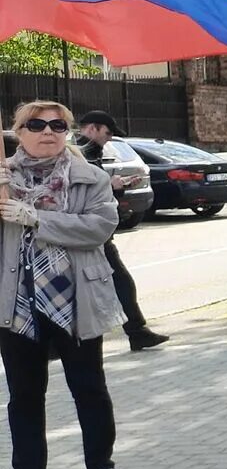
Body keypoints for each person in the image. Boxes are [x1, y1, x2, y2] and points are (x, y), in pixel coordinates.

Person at [0, 101, 129, 469]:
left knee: (89, 388)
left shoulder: (89, 178)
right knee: (23, 393)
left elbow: (98, 228)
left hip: (75, 299)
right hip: (17, 301)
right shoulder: (2, 180)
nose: (48, 131)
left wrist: (34, 217)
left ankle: (102, 468)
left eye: (58, 124)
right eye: (36, 124)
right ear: (19, 132)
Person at [73, 111, 168, 352]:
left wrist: (114, 187)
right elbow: (81, 189)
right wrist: (109, 184)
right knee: (119, 282)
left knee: (112, 283)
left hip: (91, 233)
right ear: (92, 128)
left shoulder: (86, 150)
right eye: (107, 133)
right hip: (88, 234)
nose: (109, 138)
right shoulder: (81, 150)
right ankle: (136, 332)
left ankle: (137, 331)